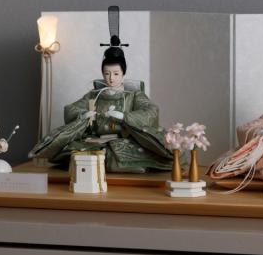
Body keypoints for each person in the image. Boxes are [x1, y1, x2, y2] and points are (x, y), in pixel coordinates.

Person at [29, 41, 174, 172]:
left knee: (127, 155)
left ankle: (129, 165)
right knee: (76, 154)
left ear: (123, 74)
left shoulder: (134, 95)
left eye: (116, 74)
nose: (111, 78)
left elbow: (151, 111)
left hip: (125, 139)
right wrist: (83, 115)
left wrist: (125, 117)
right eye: (107, 73)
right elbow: (71, 109)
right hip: (97, 140)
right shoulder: (94, 95)